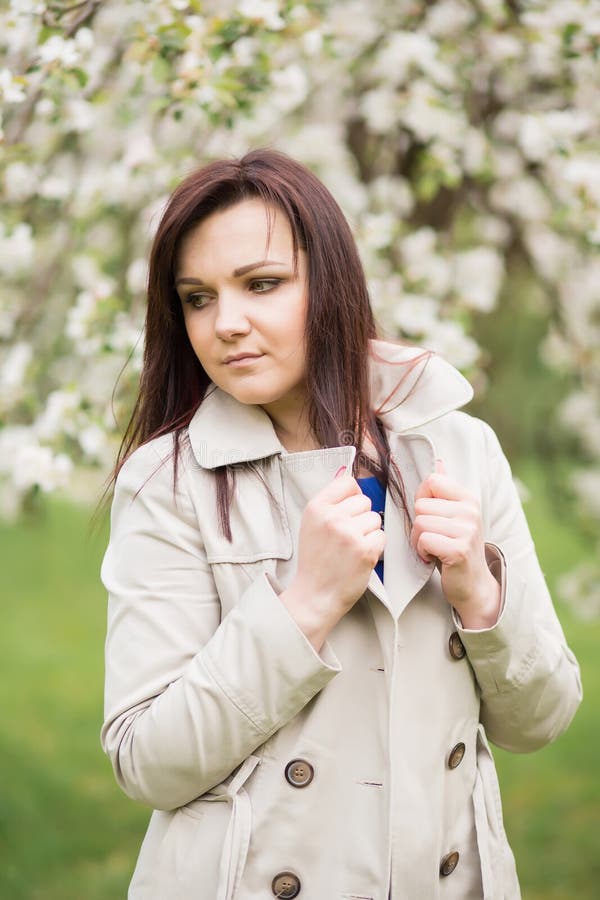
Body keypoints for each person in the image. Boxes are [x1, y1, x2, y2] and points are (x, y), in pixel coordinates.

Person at [100, 148, 582, 900]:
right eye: (197, 297)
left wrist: (480, 595)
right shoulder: (168, 483)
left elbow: (540, 720)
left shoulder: (456, 446)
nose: (227, 323)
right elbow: (147, 762)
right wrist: (302, 608)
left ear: (330, 285)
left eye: (262, 284)